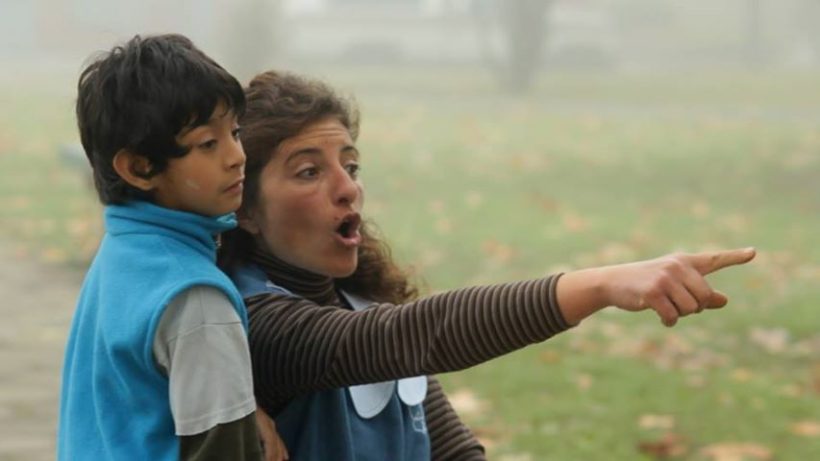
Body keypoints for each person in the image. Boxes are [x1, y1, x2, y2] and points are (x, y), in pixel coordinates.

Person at [218, 71, 756, 460]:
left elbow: (449, 449)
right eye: (309, 172)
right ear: (245, 213)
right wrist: (601, 285)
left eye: (351, 165)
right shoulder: (250, 324)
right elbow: (406, 335)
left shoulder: (364, 298)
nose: (348, 188)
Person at [57, 34, 286, 461]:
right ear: (140, 167)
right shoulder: (196, 300)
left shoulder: (122, 255)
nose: (237, 156)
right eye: (207, 144)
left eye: (234, 132)